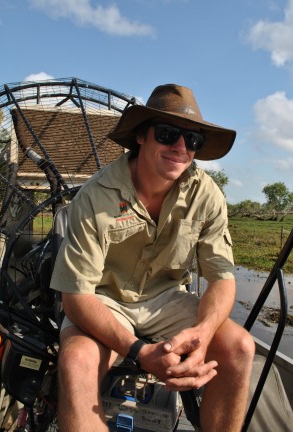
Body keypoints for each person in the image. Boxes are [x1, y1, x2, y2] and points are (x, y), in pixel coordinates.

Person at [50, 83, 255, 432]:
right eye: (167, 134)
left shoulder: (206, 195)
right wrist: (139, 353)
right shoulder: (95, 196)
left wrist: (203, 336)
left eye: (192, 141)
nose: (180, 147)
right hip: (104, 299)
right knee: (76, 361)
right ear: (142, 137)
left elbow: (221, 278)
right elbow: (76, 297)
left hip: (165, 299)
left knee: (240, 347)